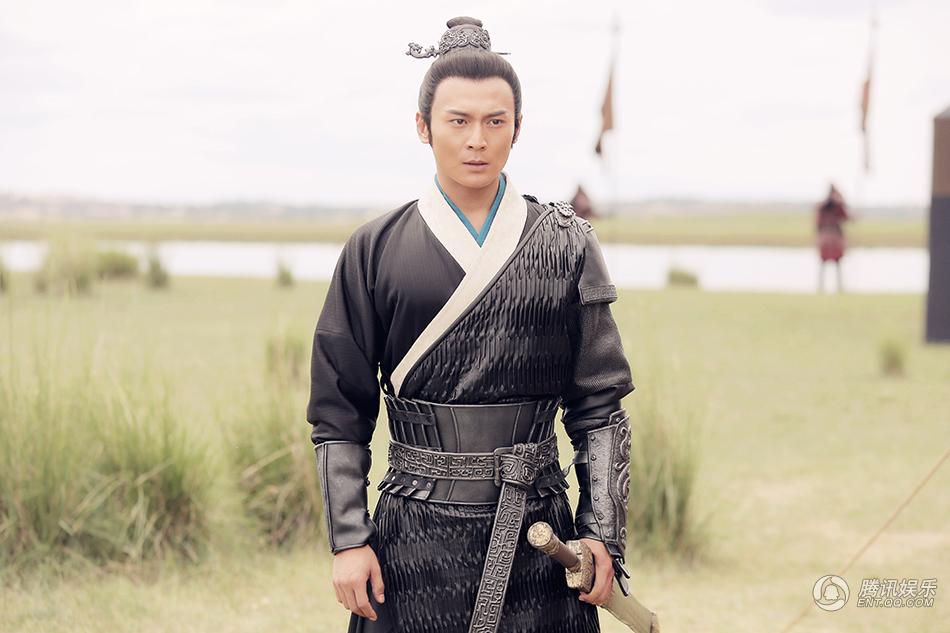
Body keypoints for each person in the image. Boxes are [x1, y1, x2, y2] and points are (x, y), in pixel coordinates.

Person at [307, 16, 635, 633]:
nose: (477, 140)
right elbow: (339, 409)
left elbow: (599, 408)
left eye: (495, 122)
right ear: (423, 126)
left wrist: (602, 535)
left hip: (540, 531)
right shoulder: (374, 248)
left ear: (517, 128)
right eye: (458, 121)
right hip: (411, 531)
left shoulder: (567, 243)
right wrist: (348, 538)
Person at [815, 183, 850, 293]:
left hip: (825, 236)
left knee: (825, 262)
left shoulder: (822, 206)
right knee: (836, 262)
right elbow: (846, 217)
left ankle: (822, 287)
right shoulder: (837, 205)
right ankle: (837, 287)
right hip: (834, 236)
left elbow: (817, 223)